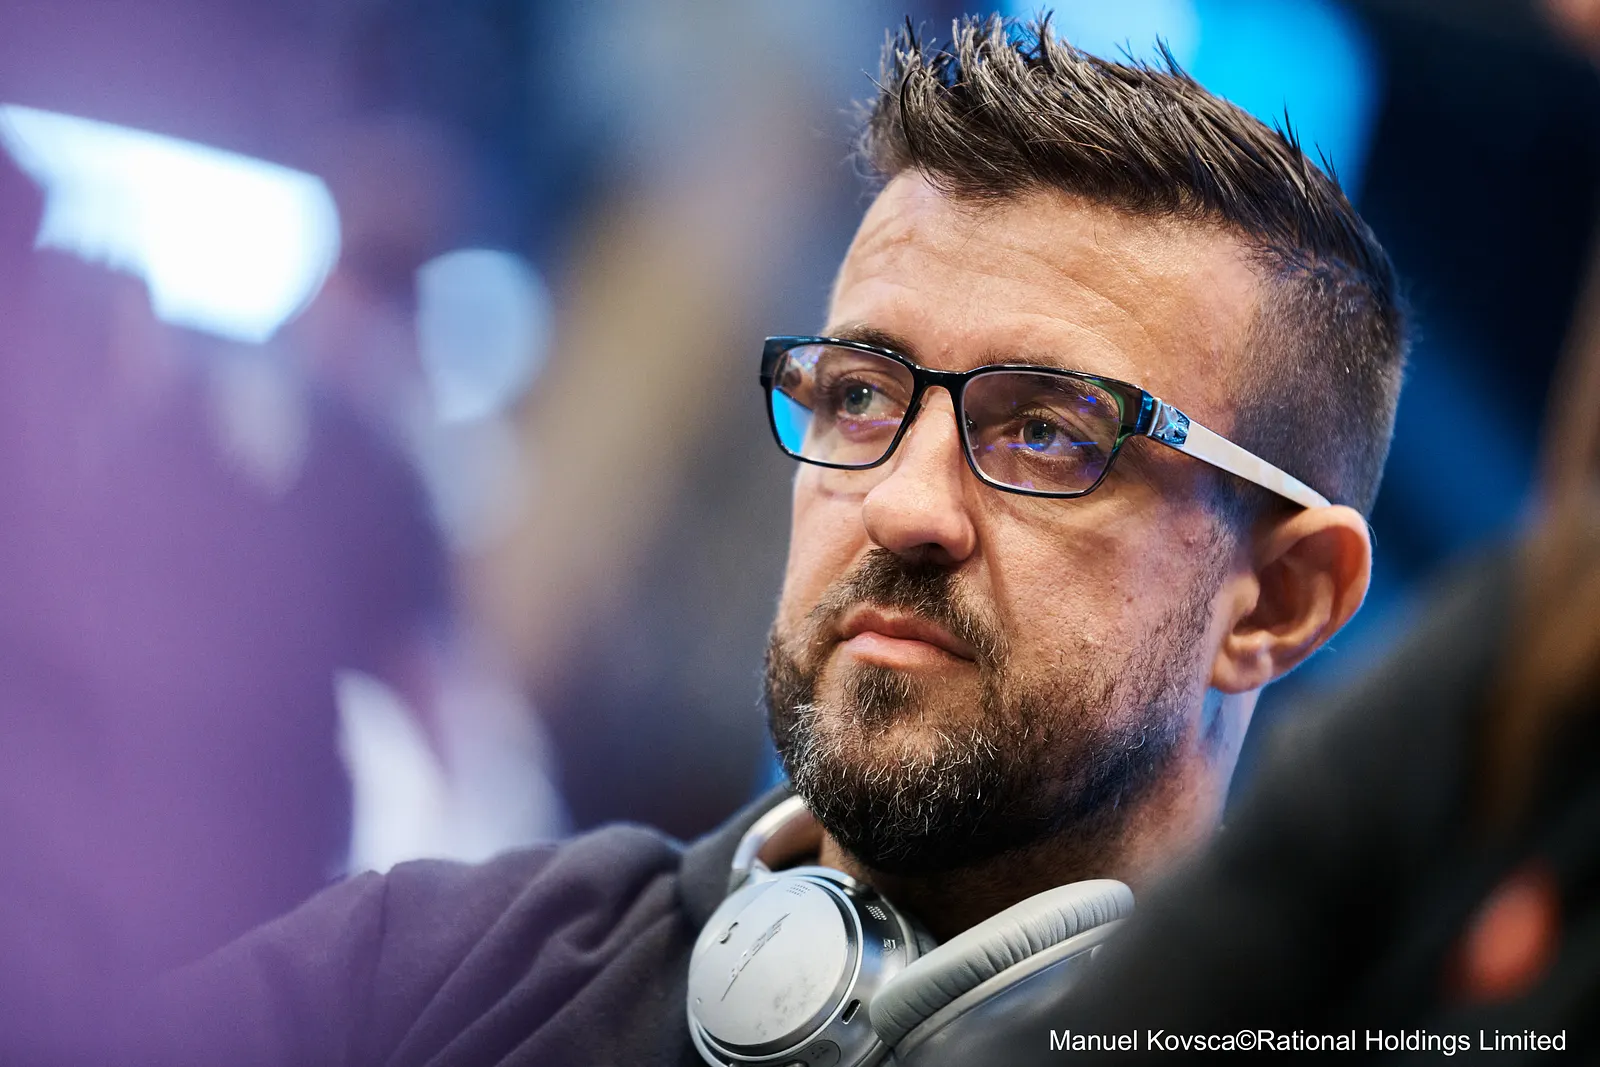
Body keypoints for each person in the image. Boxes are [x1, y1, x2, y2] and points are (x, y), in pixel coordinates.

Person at [145, 16, 1407, 1066]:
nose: (902, 507)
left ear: (1279, 596)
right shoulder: (430, 966)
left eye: (1046, 433)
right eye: (858, 394)